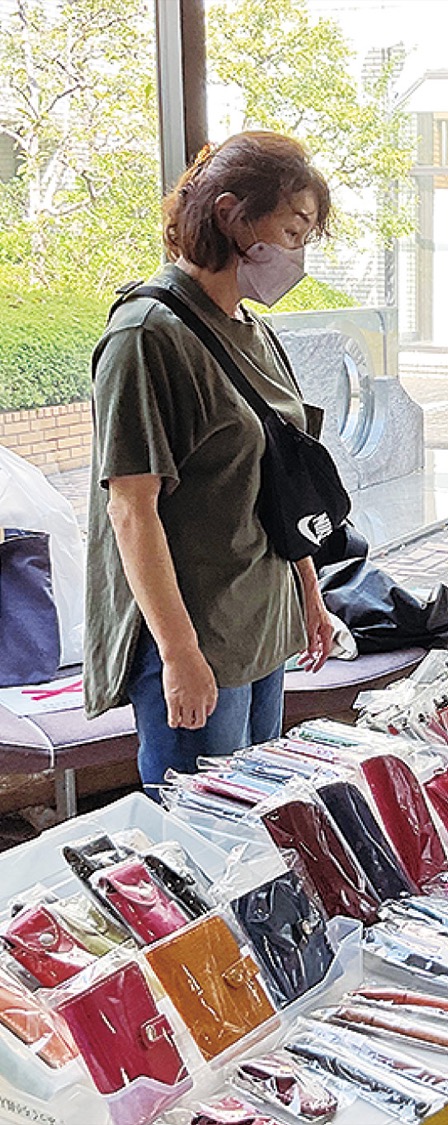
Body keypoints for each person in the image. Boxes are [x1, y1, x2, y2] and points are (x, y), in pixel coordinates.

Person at [84, 131, 336, 791]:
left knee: (261, 816)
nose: (297, 252)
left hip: (263, 625)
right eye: (291, 230)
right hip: (199, 637)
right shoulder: (147, 336)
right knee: (201, 831)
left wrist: (309, 596)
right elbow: (130, 510)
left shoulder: (255, 331)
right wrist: (178, 653)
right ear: (231, 215)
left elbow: (283, 480)